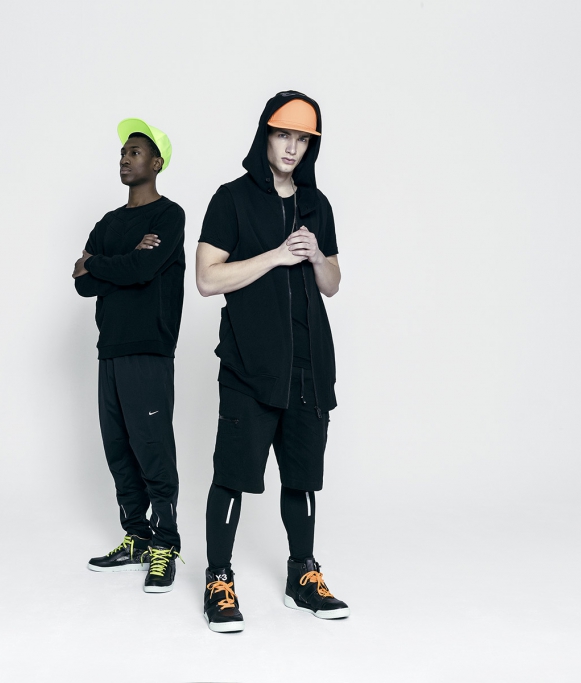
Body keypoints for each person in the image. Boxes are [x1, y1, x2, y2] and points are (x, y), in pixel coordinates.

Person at [195, 91, 350, 632]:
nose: (292, 147)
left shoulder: (317, 204)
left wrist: (315, 255)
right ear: (265, 135)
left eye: (302, 139)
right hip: (249, 367)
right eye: (283, 135)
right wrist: (278, 255)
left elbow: (332, 284)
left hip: (309, 367)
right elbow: (207, 279)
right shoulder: (231, 199)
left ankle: (302, 575)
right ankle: (218, 579)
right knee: (232, 476)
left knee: (302, 478)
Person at [73, 118, 185, 593]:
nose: (124, 157)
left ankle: (166, 544)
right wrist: (113, 263)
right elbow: (82, 283)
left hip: (149, 348)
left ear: (156, 163)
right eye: (122, 151)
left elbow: (142, 269)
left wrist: (99, 264)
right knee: (118, 449)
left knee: (152, 448)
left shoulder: (169, 216)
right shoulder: (108, 223)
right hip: (110, 349)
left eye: (135, 152)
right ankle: (137, 538)